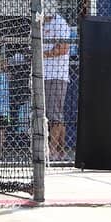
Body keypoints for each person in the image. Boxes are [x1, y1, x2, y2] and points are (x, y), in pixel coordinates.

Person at [42, 11, 71, 161]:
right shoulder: (40, 24)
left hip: (56, 76)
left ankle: (52, 151)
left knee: (55, 115)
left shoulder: (60, 23)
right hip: (43, 75)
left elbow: (64, 48)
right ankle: (60, 151)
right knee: (52, 114)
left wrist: (43, 54)